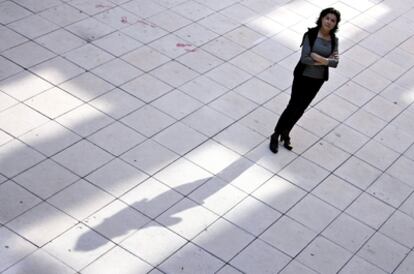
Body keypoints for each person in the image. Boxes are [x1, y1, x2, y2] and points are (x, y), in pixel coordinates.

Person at [269, 7, 341, 153]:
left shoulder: (334, 40)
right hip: (302, 77)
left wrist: (318, 58)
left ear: (336, 24)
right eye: (327, 18)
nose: (329, 22)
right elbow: (305, 58)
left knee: (301, 109)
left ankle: (286, 133)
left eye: (332, 20)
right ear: (321, 18)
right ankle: (276, 134)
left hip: (317, 80)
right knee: (292, 106)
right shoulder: (311, 35)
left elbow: (335, 63)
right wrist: (325, 61)